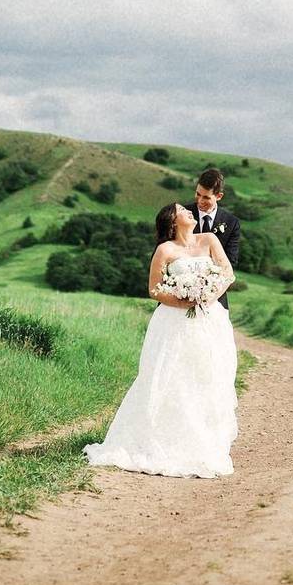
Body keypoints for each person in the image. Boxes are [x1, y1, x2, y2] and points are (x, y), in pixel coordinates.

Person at [82, 203, 239, 478]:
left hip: (209, 319)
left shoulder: (209, 239)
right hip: (174, 322)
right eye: (182, 210)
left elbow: (227, 273)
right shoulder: (165, 250)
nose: (189, 211)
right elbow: (154, 289)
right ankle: (162, 438)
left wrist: (207, 296)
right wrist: (184, 300)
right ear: (172, 221)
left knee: (208, 376)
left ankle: (206, 442)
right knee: (170, 377)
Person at [185, 168, 240, 311]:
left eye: (206, 197)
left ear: (219, 196)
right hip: (182, 293)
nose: (200, 201)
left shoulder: (231, 222)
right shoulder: (181, 215)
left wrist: (209, 294)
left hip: (214, 299)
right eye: (198, 194)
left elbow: (230, 263)